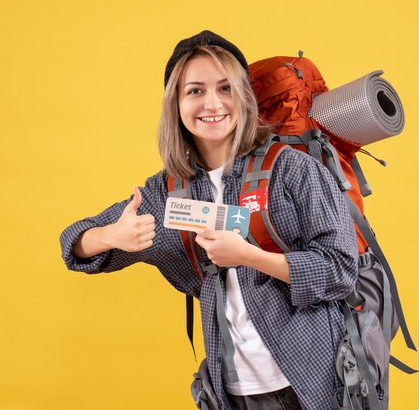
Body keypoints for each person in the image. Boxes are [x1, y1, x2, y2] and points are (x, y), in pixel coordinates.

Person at [59, 30, 358, 410]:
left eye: (225, 88)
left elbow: (340, 270)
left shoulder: (292, 170)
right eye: (195, 91)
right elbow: (73, 245)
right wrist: (111, 236)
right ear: (176, 105)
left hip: (314, 379)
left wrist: (250, 256)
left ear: (243, 97)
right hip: (232, 390)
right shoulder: (165, 192)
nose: (212, 103)